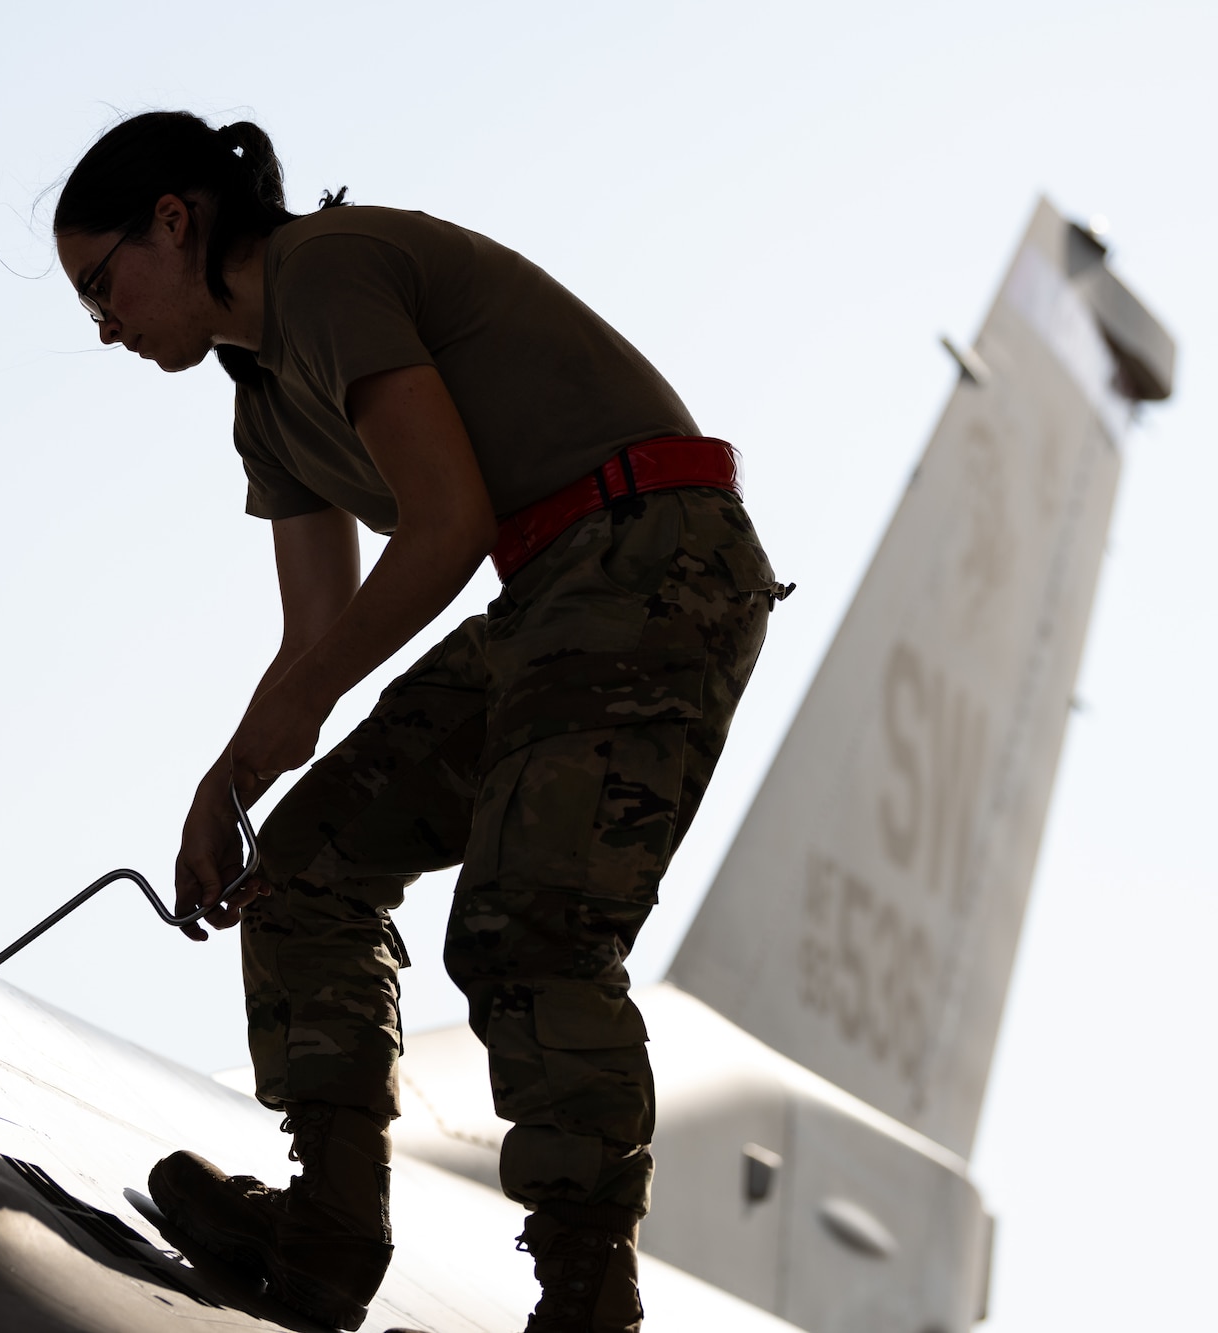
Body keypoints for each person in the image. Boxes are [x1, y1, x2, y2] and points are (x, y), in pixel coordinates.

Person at [52, 111, 784, 1333]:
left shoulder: (326, 270)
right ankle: (329, 1233)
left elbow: (441, 526)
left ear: (173, 222)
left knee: (528, 925)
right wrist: (227, 781)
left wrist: (280, 717)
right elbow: (314, 645)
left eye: (101, 283)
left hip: (653, 548)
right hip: (553, 589)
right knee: (305, 866)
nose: (104, 322)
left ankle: (587, 1301)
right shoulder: (264, 408)